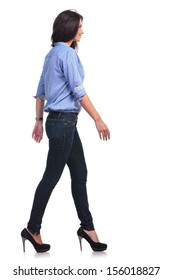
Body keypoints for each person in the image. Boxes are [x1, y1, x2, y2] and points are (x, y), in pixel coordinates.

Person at [21, 9, 110, 253]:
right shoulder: (67, 54)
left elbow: (40, 92)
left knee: (80, 173)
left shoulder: (51, 55)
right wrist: (98, 119)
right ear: (69, 28)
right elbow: (78, 91)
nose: (82, 31)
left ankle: (88, 229)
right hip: (64, 123)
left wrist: (39, 120)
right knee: (51, 177)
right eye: (80, 26)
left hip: (59, 123)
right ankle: (32, 228)